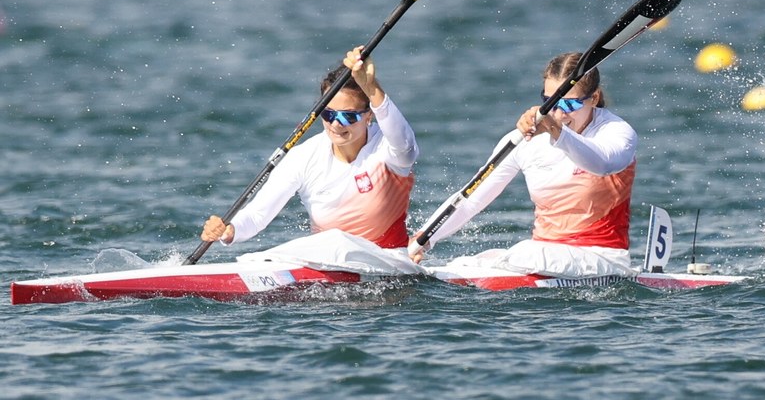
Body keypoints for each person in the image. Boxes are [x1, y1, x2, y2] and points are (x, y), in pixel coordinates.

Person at [411, 52, 638, 278]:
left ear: (594, 97)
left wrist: (554, 130)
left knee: (523, 253)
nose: (558, 114)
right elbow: (471, 199)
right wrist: (422, 240)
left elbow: (603, 164)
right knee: (469, 262)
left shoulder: (616, 132)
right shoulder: (524, 140)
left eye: (569, 105)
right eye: (550, 102)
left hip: (602, 259)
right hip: (544, 257)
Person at [201, 46, 419, 250]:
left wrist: (371, 88)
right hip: (326, 265)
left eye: (348, 116)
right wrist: (229, 230)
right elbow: (258, 214)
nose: (336, 123)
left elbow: (407, 147)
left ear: (369, 115)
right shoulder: (304, 157)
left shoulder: (387, 149)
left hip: (389, 263)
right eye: (328, 113)